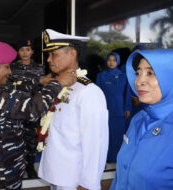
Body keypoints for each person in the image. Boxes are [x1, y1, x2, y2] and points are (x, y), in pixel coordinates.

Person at [0, 40, 76, 190]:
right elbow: (31, 110)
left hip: (2, 166)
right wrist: (57, 84)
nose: (10, 71)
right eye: (6, 67)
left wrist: (40, 81)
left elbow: (13, 88)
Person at [38, 29, 109, 190]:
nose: (48, 60)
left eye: (54, 54)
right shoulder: (55, 85)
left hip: (74, 178)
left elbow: (95, 143)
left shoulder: (88, 92)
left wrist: (88, 183)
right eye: (48, 55)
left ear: (72, 53)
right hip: (57, 171)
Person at [110, 49, 173, 190]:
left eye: (150, 73)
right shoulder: (138, 118)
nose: (139, 81)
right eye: (137, 73)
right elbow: (121, 175)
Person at [10, 40, 44, 178]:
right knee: (14, 137)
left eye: (28, 49)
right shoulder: (11, 67)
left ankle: (30, 166)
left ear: (32, 51)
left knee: (31, 138)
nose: (25, 52)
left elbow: (42, 88)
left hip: (32, 108)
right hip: (15, 108)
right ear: (18, 52)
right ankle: (15, 167)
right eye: (22, 49)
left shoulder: (39, 68)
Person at [96, 52, 131, 162]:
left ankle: (117, 158)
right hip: (104, 110)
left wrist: (127, 108)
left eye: (114, 60)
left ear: (118, 62)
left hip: (119, 111)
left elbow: (127, 93)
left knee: (118, 135)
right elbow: (96, 93)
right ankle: (105, 158)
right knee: (105, 135)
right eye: (109, 60)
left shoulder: (123, 76)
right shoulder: (101, 75)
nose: (111, 62)